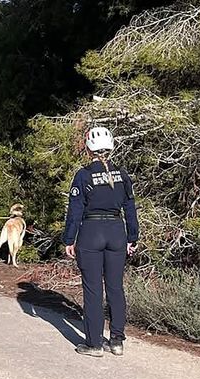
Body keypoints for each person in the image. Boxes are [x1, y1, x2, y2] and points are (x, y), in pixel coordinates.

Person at [62, 127, 139, 357]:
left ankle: (94, 343)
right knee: (115, 287)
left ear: (88, 148)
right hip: (117, 231)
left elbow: (75, 211)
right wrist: (132, 237)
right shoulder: (122, 174)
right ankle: (117, 341)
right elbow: (130, 208)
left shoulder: (84, 175)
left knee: (93, 289)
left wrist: (69, 239)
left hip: (91, 232)